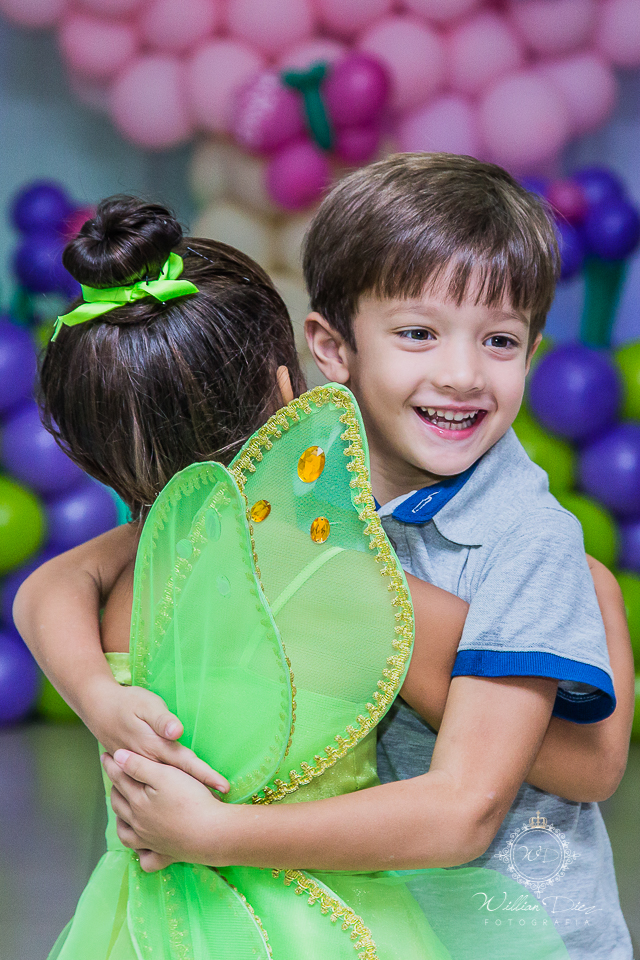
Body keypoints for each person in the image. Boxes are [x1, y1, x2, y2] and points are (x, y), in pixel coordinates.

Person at [15, 172, 633, 957]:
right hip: (366, 914)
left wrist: (211, 828)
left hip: (528, 932)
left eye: (500, 340)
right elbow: (63, 577)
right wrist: (100, 697)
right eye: (418, 334)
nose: (462, 374)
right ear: (324, 355)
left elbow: (558, 776)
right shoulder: (294, 502)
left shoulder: (521, 541)